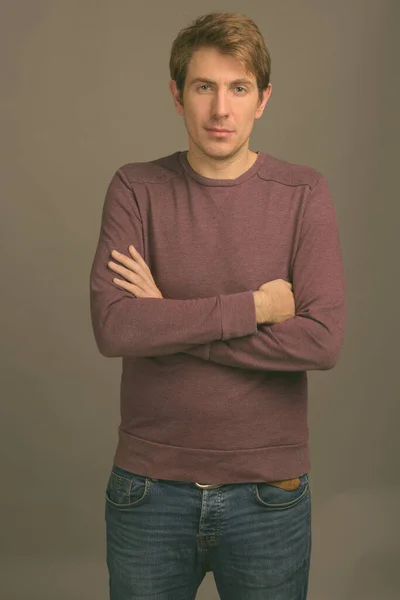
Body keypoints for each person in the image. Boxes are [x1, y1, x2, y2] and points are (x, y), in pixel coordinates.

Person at [89, 11, 346, 600]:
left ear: (263, 99)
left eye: (238, 88)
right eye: (204, 87)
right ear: (177, 95)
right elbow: (115, 327)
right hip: (148, 491)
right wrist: (255, 306)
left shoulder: (304, 194)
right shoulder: (135, 189)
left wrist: (169, 319)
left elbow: (321, 342)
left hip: (269, 493)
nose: (220, 109)